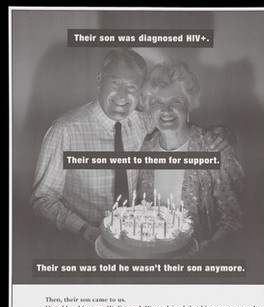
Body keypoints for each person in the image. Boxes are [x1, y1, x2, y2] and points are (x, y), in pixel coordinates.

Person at [31, 48, 234, 254]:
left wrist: (221, 134)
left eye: (132, 86)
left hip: (139, 248)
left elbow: (176, 123)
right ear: (100, 80)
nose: (122, 95)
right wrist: (85, 230)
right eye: (116, 83)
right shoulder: (65, 130)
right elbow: (42, 199)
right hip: (83, 247)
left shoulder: (144, 123)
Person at [138, 60, 244, 257]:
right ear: (148, 109)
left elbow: (234, 218)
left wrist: (210, 247)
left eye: (175, 101)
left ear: (189, 104)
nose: (166, 110)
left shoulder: (214, 149)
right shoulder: (144, 146)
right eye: (157, 103)